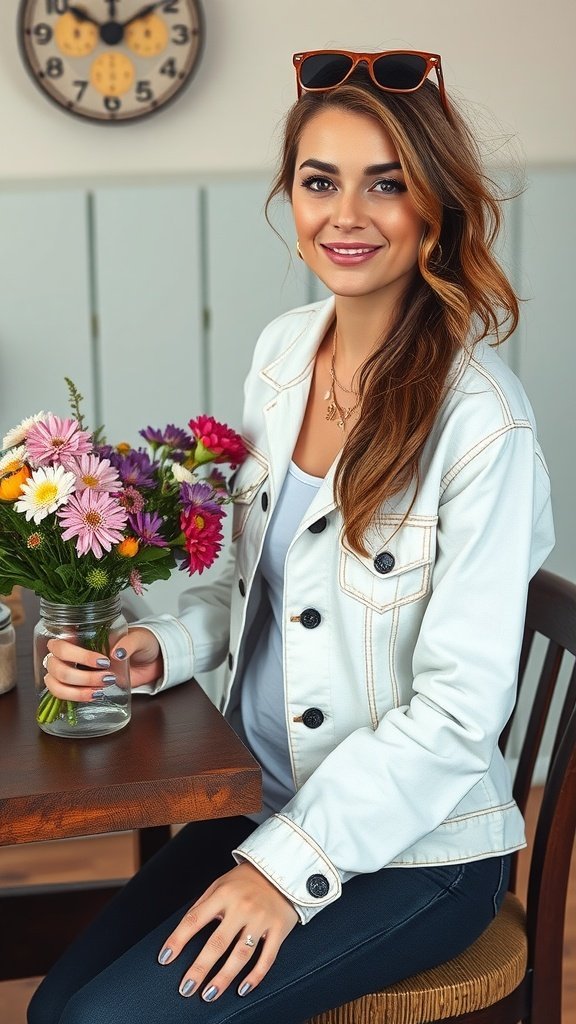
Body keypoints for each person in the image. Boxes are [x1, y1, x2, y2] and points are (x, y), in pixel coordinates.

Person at [28, 49, 554, 1024]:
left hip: (415, 850)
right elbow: (254, 591)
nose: (345, 215)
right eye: (321, 181)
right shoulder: (283, 356)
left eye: (385, 184)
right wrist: (161, 649)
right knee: (61, 1008)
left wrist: (287, 872)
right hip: (266, 803)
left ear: (434, 204)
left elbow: (458, 713)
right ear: (291, 194)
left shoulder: (482, 422)